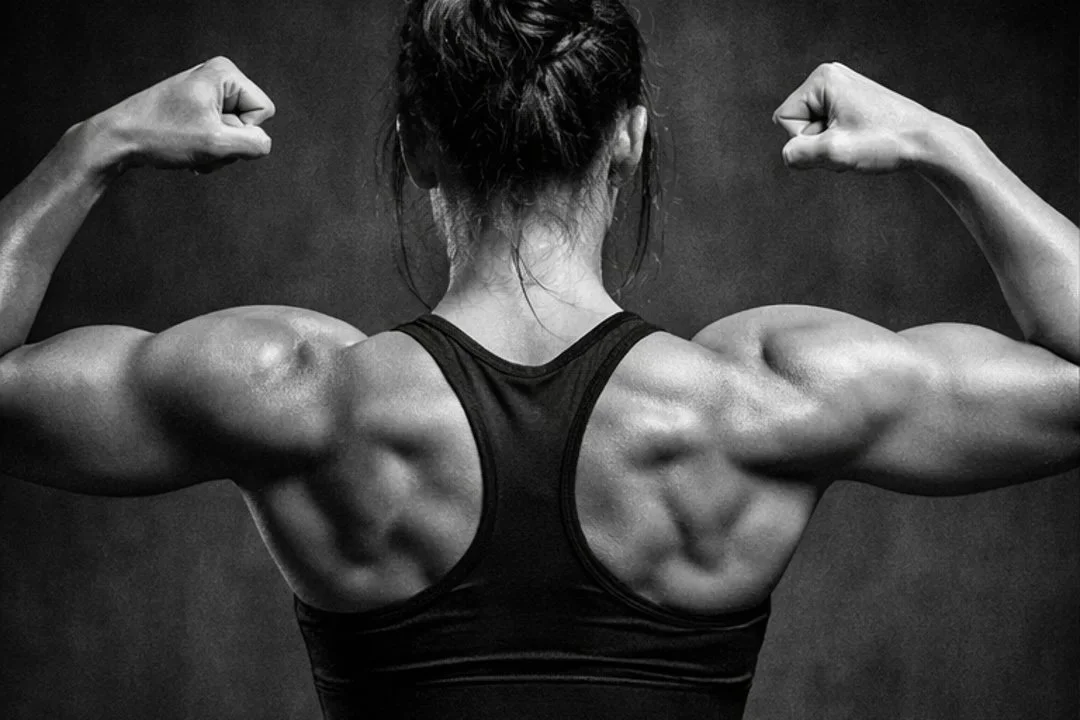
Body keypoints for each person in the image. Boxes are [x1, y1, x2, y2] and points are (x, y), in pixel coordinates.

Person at [0, 0, 1076, 718]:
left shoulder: (296, 390)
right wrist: (948, 144)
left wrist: (96, 142)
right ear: (630, 137)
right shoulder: (766, 395)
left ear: (417, 142)